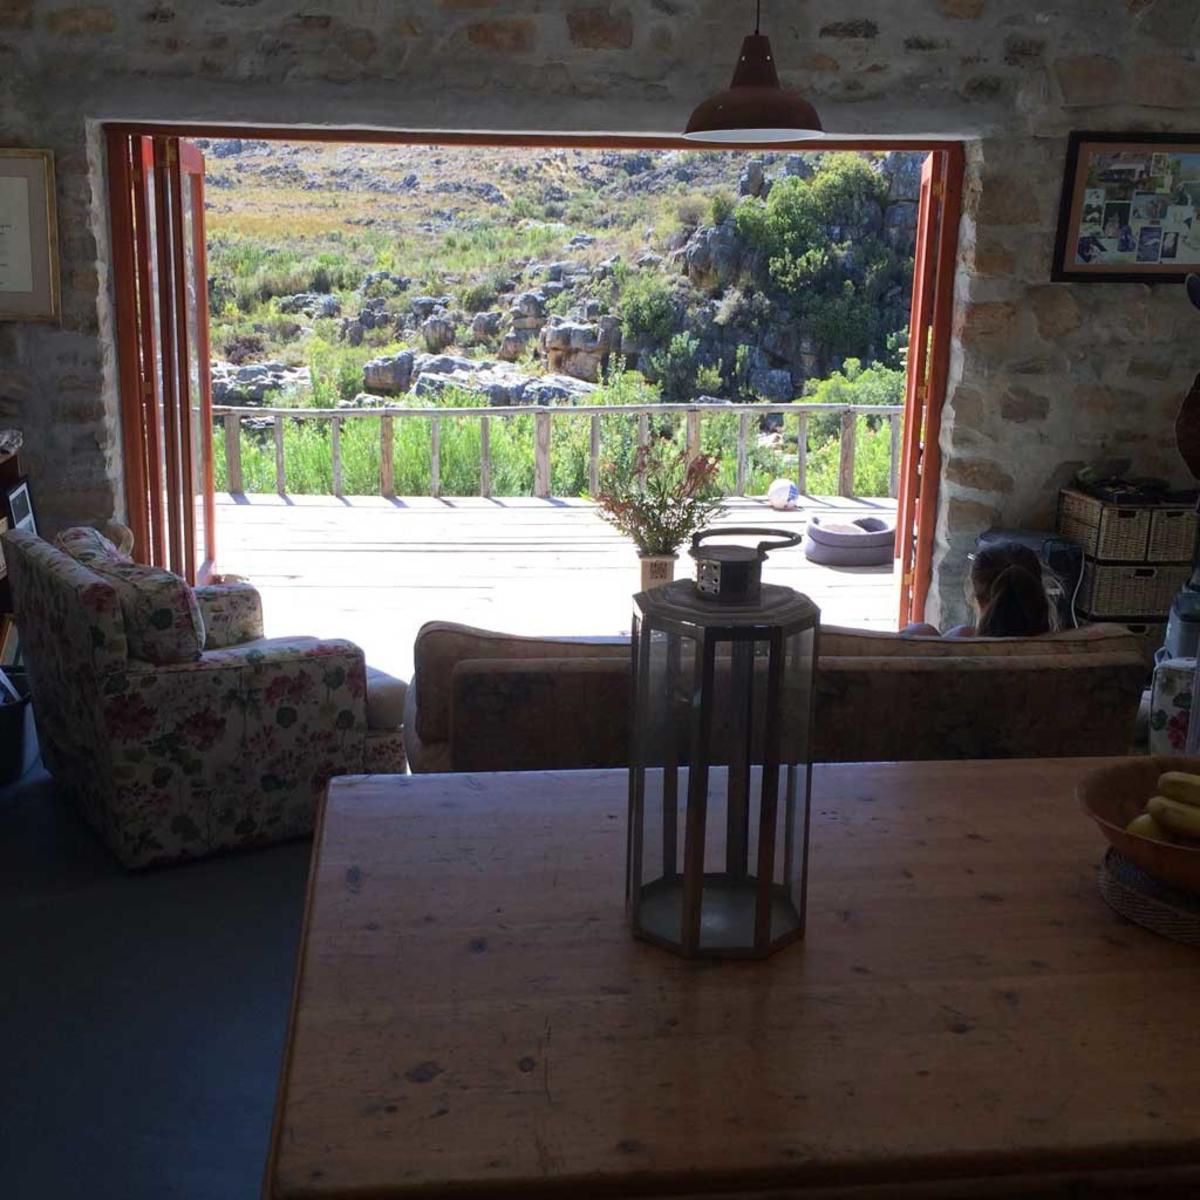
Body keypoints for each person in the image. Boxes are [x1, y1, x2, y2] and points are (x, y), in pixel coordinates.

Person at [903, 541, 1054, 639]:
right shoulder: (1066, 652)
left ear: (975, 597)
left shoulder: (958, 640)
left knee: (919, 631)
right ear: (1038, 591)